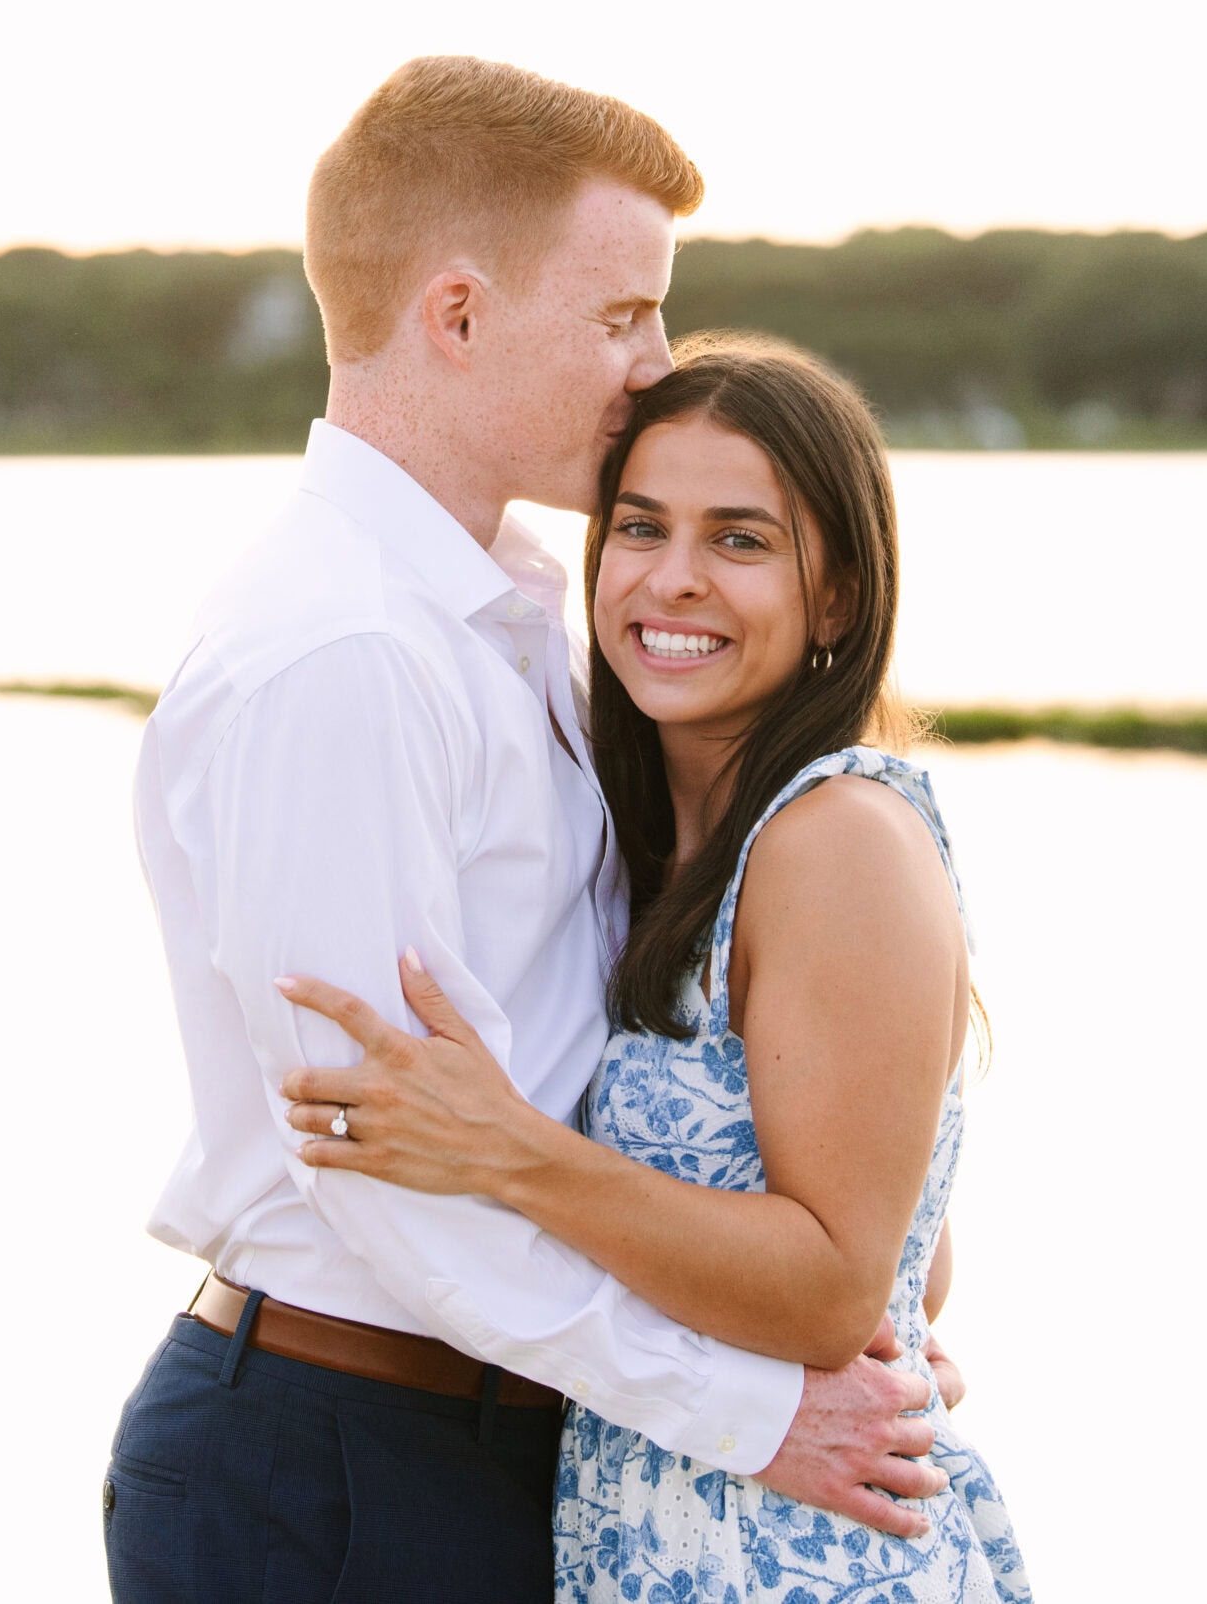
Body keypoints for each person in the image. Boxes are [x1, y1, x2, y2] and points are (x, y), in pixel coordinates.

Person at [110, 58, 948, 1603]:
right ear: (457, 314)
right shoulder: (347, 654)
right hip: (344, 1450)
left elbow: (580, 1082)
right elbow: (386, 1172)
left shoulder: (501, 619)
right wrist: (754, 1413)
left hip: (509, 1435)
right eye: (622, 314)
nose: (655, 363)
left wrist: (866, 1271)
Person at [277, 336, 1030, 1601]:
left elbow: (838, 1291)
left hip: (803, 1563)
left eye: (739, 540)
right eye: (639, 528)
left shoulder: (833, 836)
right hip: (666, 1534)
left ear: (836, 596)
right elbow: (915, 1262)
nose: (671, 581)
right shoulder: (670, 853)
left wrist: (507, 1147)